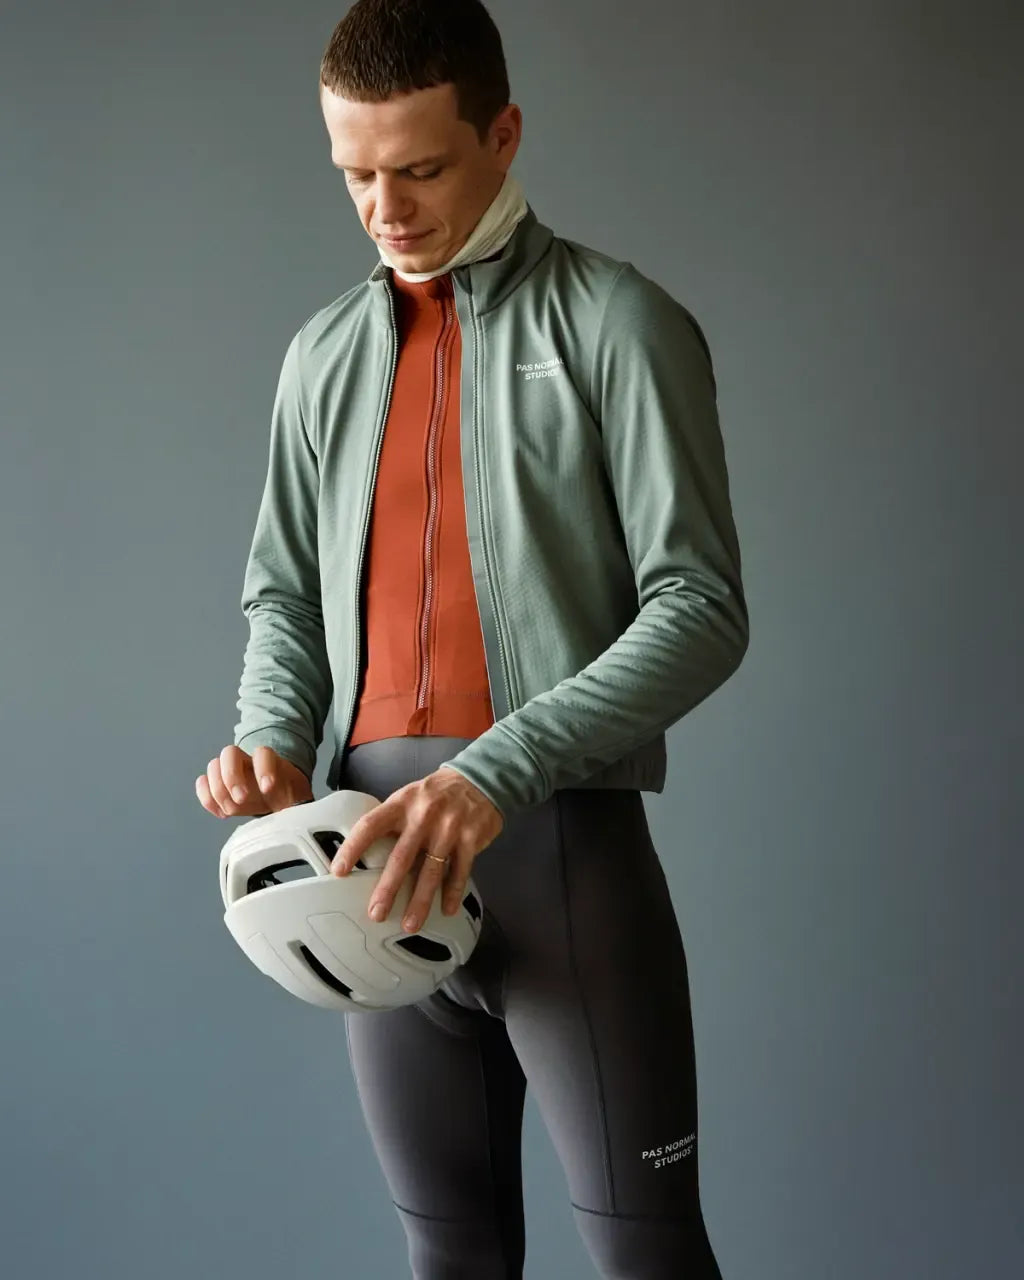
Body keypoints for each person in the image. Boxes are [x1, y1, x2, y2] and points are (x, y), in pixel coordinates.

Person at [195, 1, 749, 1275]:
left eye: (420, 169)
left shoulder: (618, 323)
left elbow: (700, 606)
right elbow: (284, 597)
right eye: (354, 174)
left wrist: (493, 771)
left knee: (646, 1255)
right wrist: (272, 739)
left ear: (502, 136)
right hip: (363, 862)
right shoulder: (321, 356)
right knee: (449, 1256)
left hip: (559, 858)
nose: (384, 210)